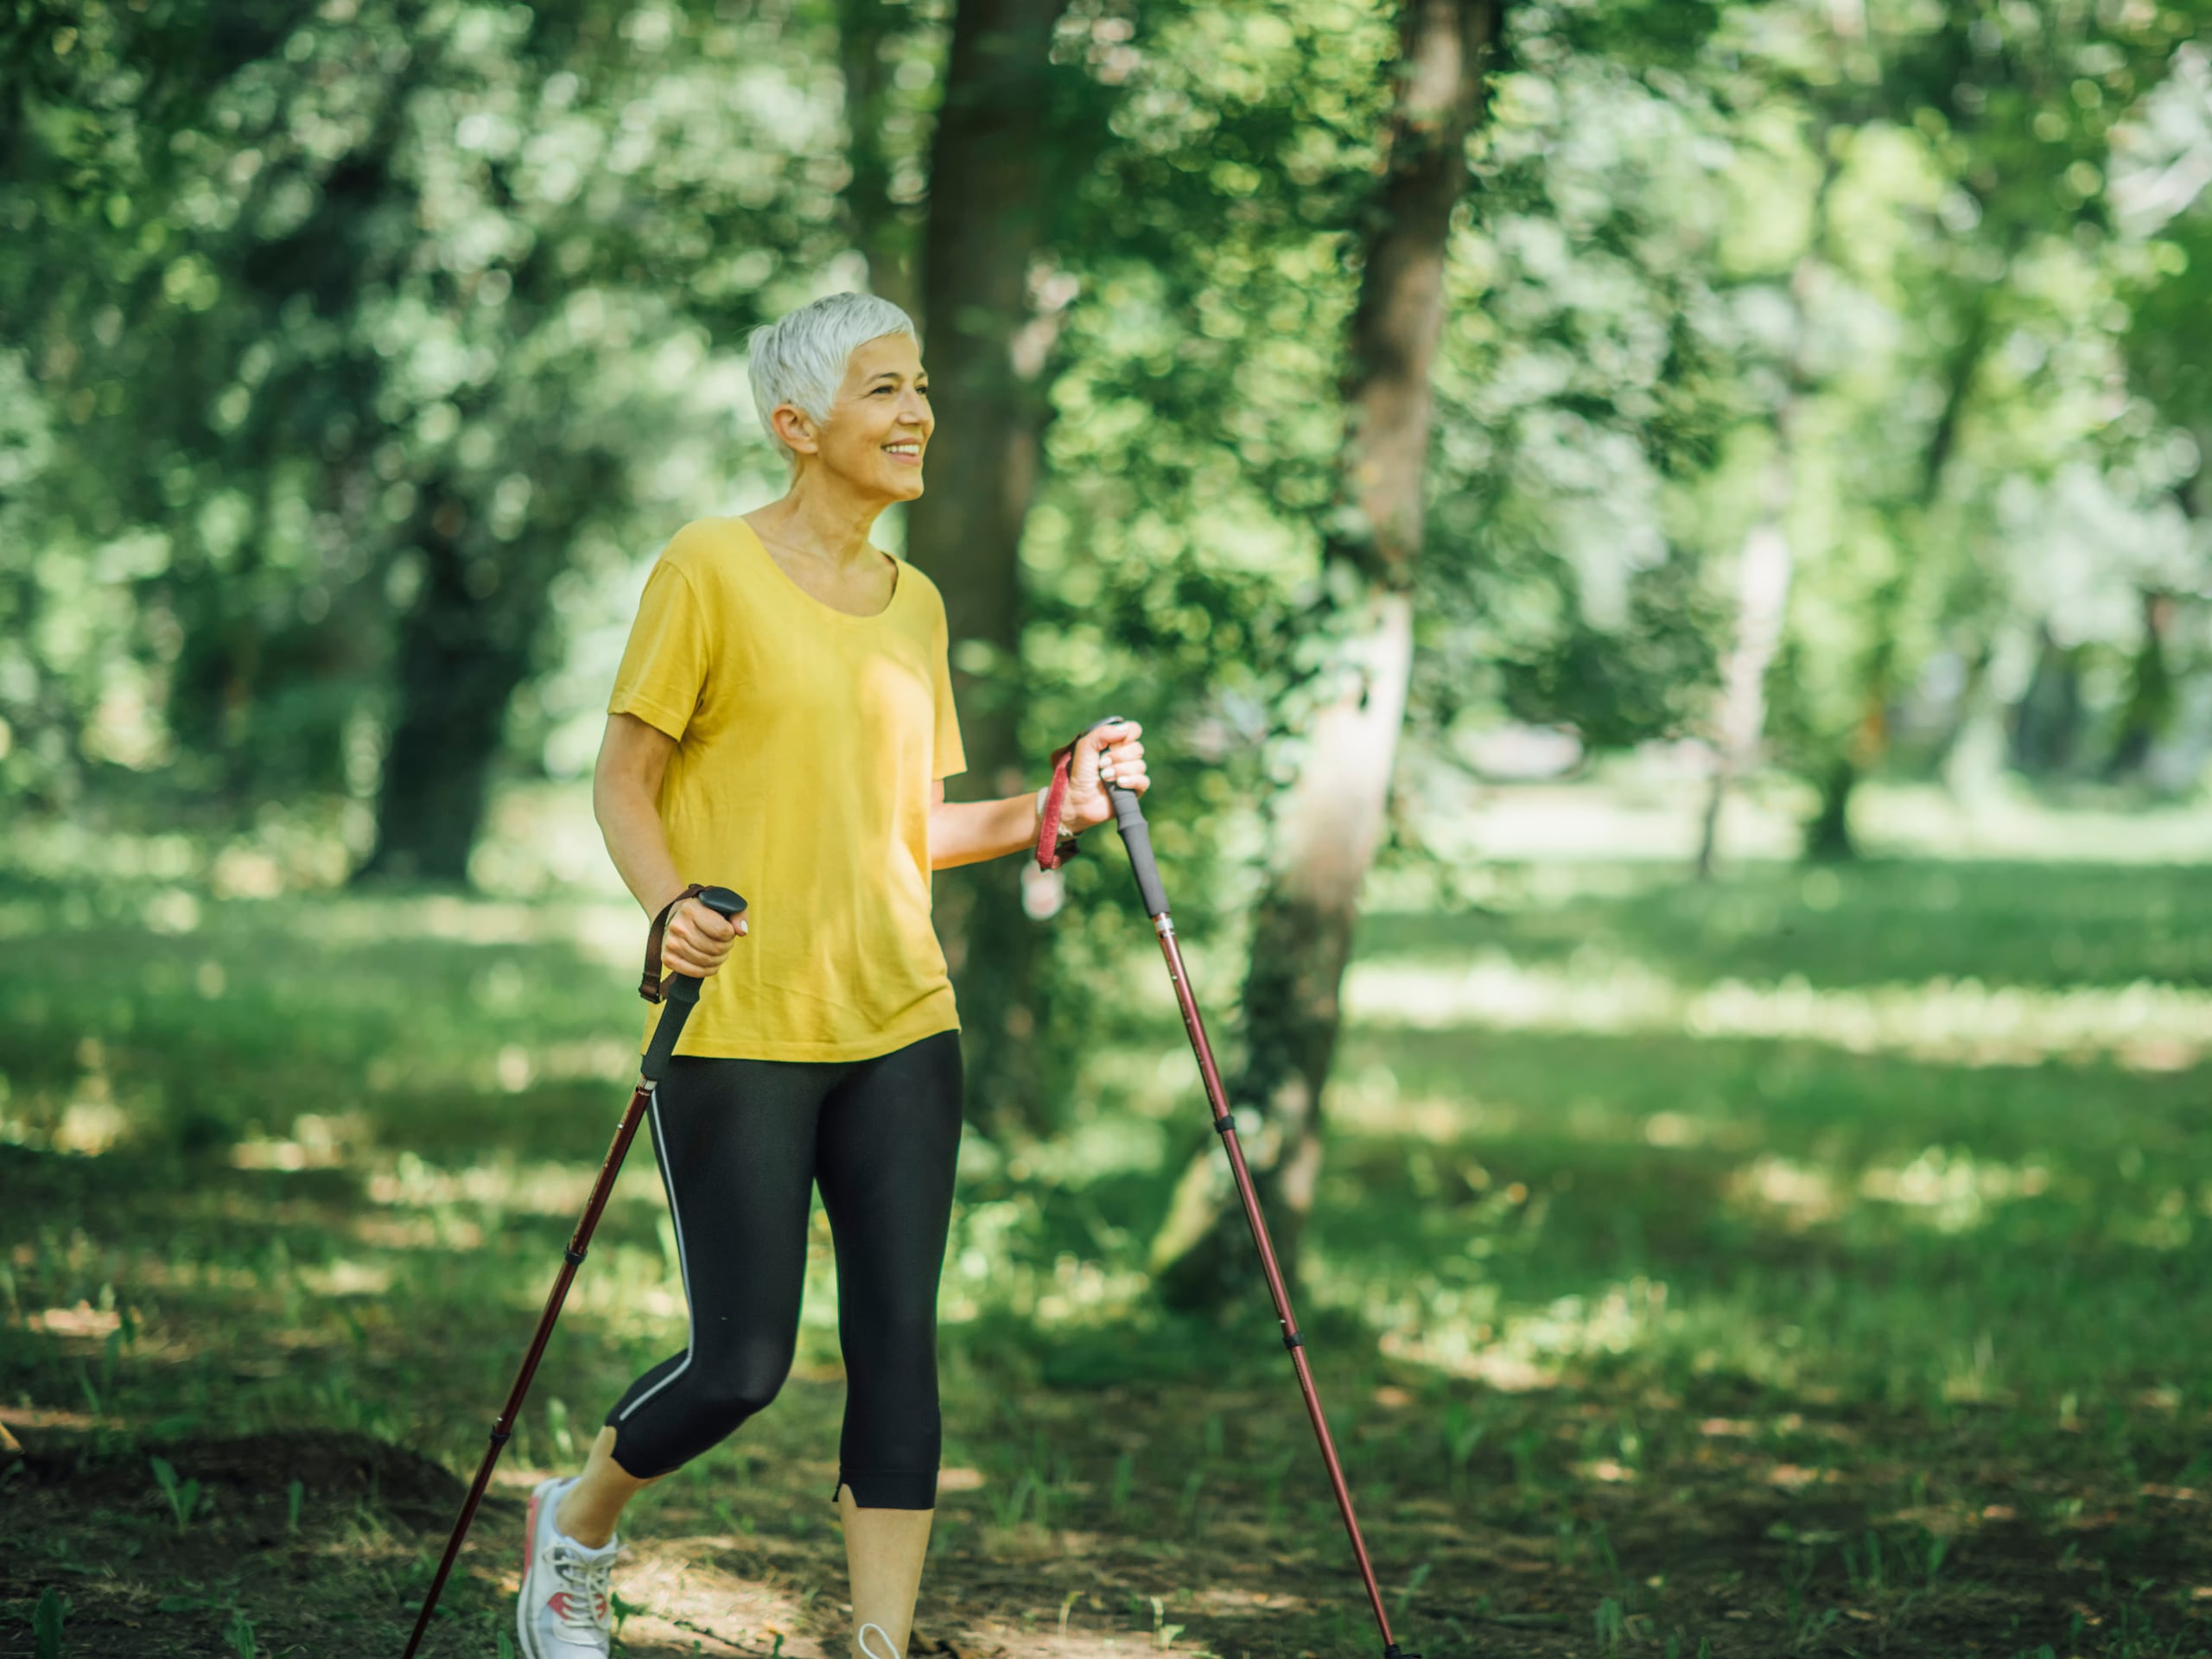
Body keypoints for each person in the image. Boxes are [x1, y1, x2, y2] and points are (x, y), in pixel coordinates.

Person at [513, 291, 1148, 1659]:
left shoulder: (910, 604)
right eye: (882, 390)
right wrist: (671, 903)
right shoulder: (707, 567)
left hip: (901, 1018)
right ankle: (576, 1523)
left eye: (919, 385)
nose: (915, 412)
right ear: (798, 425)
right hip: (742, 1016)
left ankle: (877, 1642)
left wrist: (1060, 812)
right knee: (744, 1365)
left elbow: (904, 825)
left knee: (899, 1353)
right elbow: (626, 781)